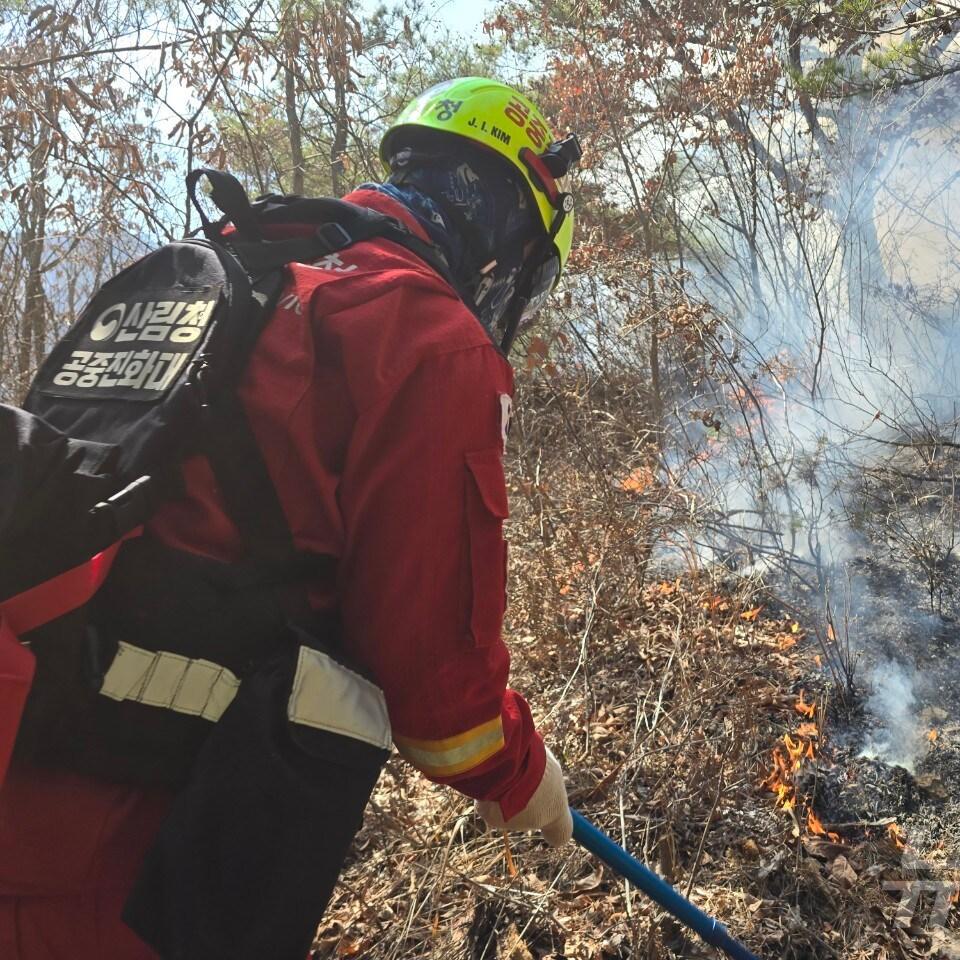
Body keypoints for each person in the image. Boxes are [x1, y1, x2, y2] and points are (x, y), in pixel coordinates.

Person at [0, 76, 578, 958]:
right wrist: (520, 773)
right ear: (504, 222)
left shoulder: (240, 257)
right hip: (135, 848)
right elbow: (439, 698)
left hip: (32, 750)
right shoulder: (425, 334)